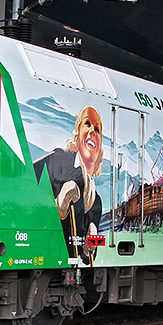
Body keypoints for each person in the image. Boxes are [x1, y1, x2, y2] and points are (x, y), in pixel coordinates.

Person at [33, 106, 104, 264]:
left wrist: (90, 245)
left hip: (69, 262)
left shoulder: (96, 201)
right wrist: (54, 207)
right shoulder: (58, 158)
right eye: (87, 123)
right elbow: (26, 179)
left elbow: (88, 259)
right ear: (77, 134)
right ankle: (59, 208)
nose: (93, 130)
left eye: (98, 129)